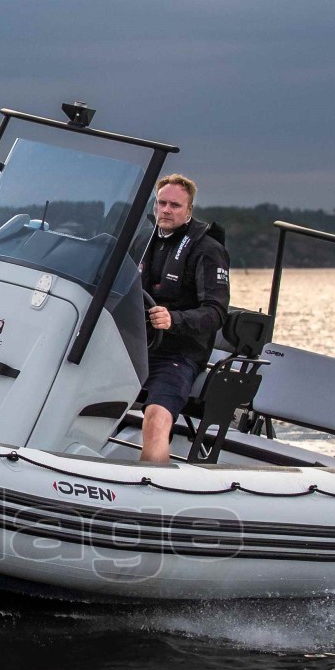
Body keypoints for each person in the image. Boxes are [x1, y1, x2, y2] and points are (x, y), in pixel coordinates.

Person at [135, 174, 230, 463]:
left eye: (175, 205)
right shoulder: (142, 241)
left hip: (179, 354)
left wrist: (173, 319)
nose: (166, 210)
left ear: (189, 210)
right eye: (161, 203)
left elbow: (216, 313)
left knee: (156, 419)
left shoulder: (208, 250)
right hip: (133, 345)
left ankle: (150, 482)